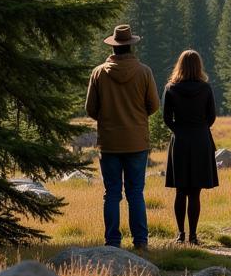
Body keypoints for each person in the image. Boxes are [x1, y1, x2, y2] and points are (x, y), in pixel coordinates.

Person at [85, 24, 160, 250]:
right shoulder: (144, 72)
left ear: (114, 47)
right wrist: (137, 118)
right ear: (131, 47)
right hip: (136, 141)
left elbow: (90, 109)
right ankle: (140, 241)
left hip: (109, 143)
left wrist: (108, 117)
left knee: (112, 194)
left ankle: (112, 242)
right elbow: (154, 106)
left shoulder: (99, 73)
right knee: (135, 192)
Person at [163, 49, 219, 244]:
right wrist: (200, 128)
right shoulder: (205, 89)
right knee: (195, 192)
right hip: (200, 140)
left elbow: (166, 118)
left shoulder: (171, 88)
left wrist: (179, 129)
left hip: (180, 141)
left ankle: (180, 234)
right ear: (198, 66)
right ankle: (194, 235)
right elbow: (211, 116)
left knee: (180, 191)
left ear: (179, 66)